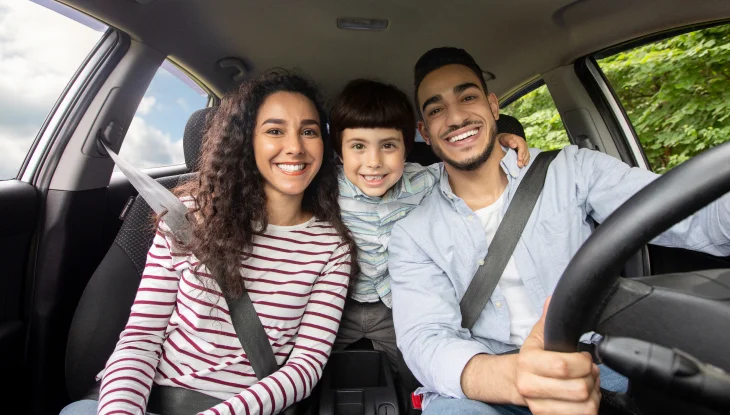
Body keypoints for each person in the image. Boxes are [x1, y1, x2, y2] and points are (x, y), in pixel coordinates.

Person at [388, 47, 730, 415]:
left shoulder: (574, 171)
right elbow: (426, 339)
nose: (455, 117)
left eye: (467, 97)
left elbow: (687, 212)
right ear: (424, 131)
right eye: (436, 109)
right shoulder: (412, 233)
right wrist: (519, 375)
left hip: (592, 362)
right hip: (488, 385)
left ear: (492, 106)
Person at [60, 73, 357, 415]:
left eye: (309, 131)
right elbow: (141, 337)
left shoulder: (330, 247)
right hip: (152, 399)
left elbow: (305, 367)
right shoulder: (187, 217)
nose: (295, 146)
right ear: (247, 141)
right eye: (275, 131)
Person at [329, 79, 529, 372]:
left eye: (388, 146)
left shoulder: (425, 181)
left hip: (396, 308)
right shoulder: (326, 189)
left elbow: (469, 165)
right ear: (340, 152)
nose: (373, 162)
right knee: (312, 373)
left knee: (419, 370)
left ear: (407, 149)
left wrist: (501, 142)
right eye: (358, 146)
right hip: (340, 308)